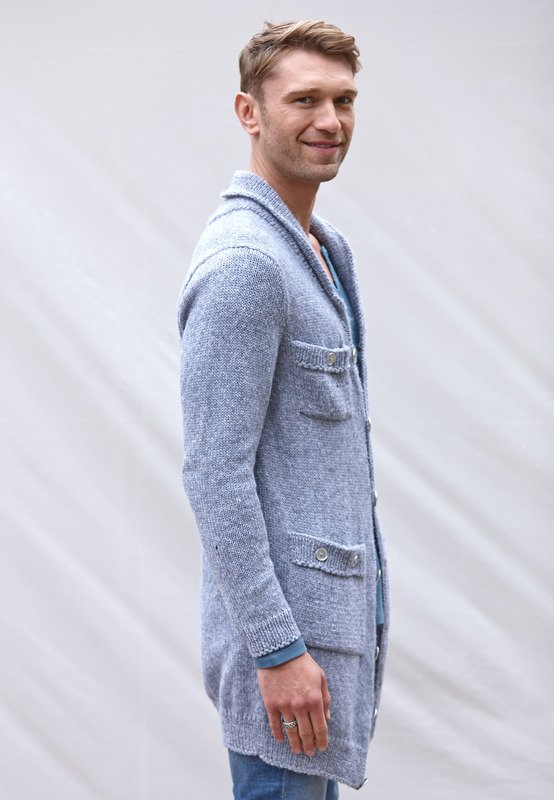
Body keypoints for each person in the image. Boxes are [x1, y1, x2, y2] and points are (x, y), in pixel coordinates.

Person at [178, 19, 389, 799]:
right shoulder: (247, 265)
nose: (329, 121)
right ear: (250, 112)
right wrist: (276, 650)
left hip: (325, 650)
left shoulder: (324, 250)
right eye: (304, 99)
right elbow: (215, 473)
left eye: (343, 100)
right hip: (289, 662)